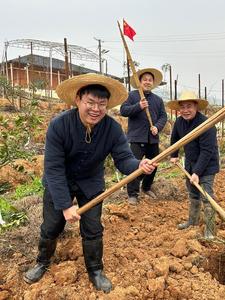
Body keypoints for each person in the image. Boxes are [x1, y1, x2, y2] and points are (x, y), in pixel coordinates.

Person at [23, 73, 156, 292]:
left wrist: (139, 166)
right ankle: (42, 262)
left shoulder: (112, 129)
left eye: (102, 104)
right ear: (78, 100)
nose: (96, 109)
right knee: (51, 226)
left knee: (93, 228)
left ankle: (95, 270)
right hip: (60, 181)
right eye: (91, 103)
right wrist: (66, 206)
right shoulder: (59, 125)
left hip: (91, 182)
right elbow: (54, 168)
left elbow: (123, 159)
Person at [167, 91, 220, 239]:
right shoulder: (179, 122)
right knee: (193, 194)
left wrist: (197, 173)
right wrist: (174, 154)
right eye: (182, 107)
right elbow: (175, 139)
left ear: (196, 106)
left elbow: (207, 151)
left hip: (207, 165)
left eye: (189, 106)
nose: (185, 110)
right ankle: (192, 221)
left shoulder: (206, 124)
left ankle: (210, 231)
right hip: (190, 163)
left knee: (206, 195)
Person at [120, 68, 167, 205]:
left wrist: (157, 127)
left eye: (150, 80)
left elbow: (163, 116)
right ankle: (133, 194)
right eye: (145, 79)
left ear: (153, 83)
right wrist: (139, 106)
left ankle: (146, 187)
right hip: (137, 137)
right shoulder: (132, 96)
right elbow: (124, 111)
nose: (147, 82)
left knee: (153, 165)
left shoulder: (157, 100)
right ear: (139, 82)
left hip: (152, 138)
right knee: (135, 165)